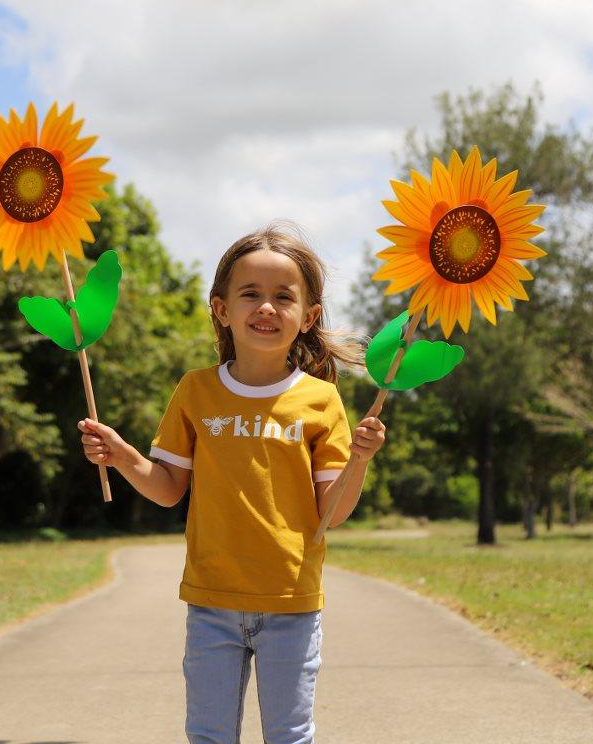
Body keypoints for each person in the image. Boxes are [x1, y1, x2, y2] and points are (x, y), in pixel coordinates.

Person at [78, 222, 386, 744]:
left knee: (289, 735)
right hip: (210, 602)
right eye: (250, 294)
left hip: (292, 604)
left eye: (282, 297)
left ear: (308, 316)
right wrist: (125, 456)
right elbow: (170, 487)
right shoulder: (195, 390)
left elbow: (331, 512)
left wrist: (360, 461)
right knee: (208, 735)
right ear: (222, 309)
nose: (266, 307)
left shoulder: (321, 401)